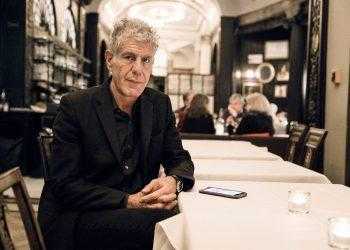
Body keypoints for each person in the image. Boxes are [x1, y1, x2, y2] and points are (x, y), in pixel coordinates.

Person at [38, 18, 195, 250]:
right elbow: (64, 185)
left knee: (180, 216)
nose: (138, 69)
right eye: (129, 57)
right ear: (110, 59)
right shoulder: (76, 106)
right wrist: (129, 201)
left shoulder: (159, 104)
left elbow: (180, 159)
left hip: (132, 214)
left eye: (146, 60)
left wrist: (174, 181)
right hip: (79, 217)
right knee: (173, 224)